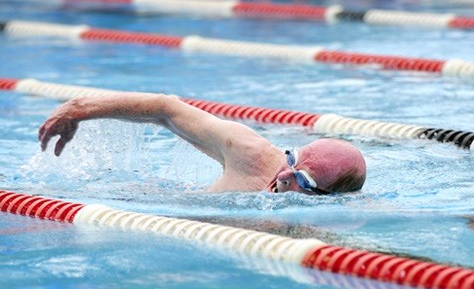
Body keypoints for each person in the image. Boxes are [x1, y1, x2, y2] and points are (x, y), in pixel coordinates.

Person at [38, 93, 367, 195]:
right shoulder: (248, 153)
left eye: (305, 182)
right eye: (292, 158)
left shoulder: (318, 230)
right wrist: (81, 110)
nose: (285, 175)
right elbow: (166, 109)